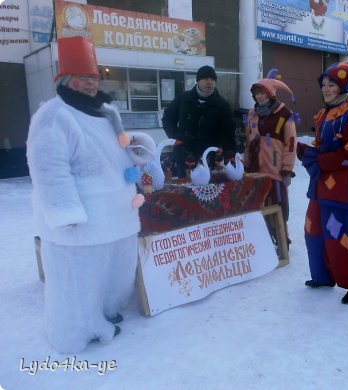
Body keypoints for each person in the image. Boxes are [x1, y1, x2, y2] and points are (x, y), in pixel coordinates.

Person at [26, 36, 152, 353]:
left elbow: (120, 152)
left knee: (114, 276)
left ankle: (105, 315)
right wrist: (66, 214)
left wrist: (136, 152)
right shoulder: (54, 115)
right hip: (82, 225)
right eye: (83, 77)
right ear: (67, 79)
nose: (90, 84)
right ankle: (72, 333)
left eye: (94, 77)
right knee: (77, 284)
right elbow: (49, 168)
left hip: (119, 218)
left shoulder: (107, 112)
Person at [297, 62, 348, 304]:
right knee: (312, 229)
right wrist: (310, 152)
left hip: (342, 185)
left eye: (331, 84)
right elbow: (324, 146)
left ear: (343, 85)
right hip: (319, 181)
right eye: (323, 84)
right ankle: (323, 276)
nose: (326, 89)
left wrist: (317, 159)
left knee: (336, 232)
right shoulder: (324, 112)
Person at [243, 69, 298, 245]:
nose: (259, 97)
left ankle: (282, 241)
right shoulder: (252, 113)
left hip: (275, 170)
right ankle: (262, 241)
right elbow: (248, 140)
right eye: (256, 93)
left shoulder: (285, 114)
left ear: (271, 93)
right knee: (256, 204)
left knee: (278, 204)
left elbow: (291, 143)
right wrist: (245, 162)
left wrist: (287, 170)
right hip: (254, 168)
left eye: (262, 93)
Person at [162, 65, 236, 177]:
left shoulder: (222, 105)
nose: (209, 82)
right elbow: (168, 118)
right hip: (184, 152)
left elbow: (228, 132)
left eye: (212, 79)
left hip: (210, 156)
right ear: (198, 81)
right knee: (185, 188)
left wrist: (228, 153)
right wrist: (175, 137)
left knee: (209, 188)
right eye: (206, 79)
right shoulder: (183, 98)